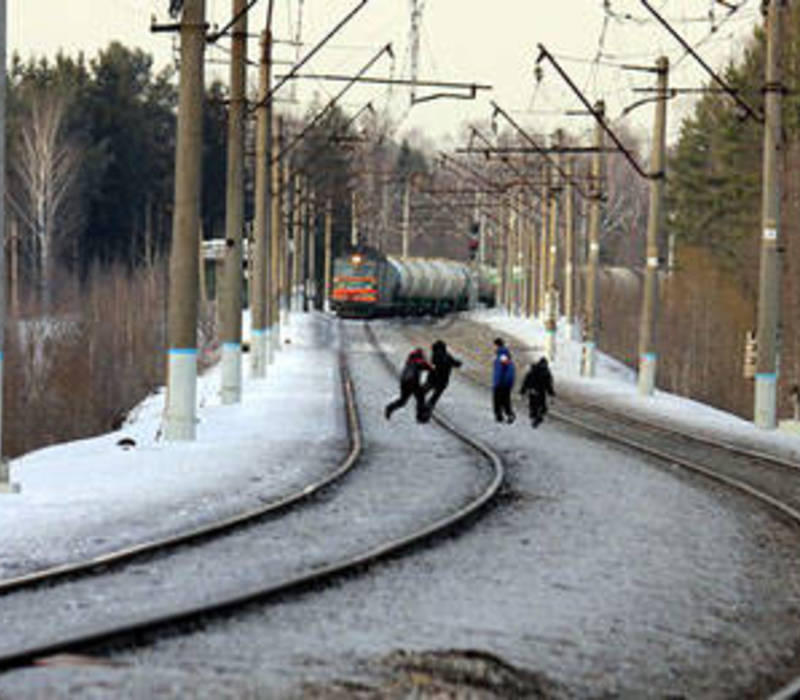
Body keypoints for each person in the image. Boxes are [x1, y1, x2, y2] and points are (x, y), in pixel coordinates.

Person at [385, 347, 433, 422]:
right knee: (420, 398)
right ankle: (421, 417)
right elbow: (428, 366)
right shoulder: (419, 361)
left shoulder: (409, 361)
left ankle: (389, 408)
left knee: (403, 401)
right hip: (413, 382)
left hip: (404, 382)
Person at [421, 339, 463, 418]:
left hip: (432, 379)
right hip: (442, 381)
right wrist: (459, 363)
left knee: (425, 389)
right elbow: (456, 364)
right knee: (435, 396)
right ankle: (428, 406)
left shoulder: (434, 356)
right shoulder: (447, 356)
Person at [520, 357, 556, 427]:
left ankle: (534, 417)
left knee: (534, 406)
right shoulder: (546, 372)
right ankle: (537, 418)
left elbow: (526, 381)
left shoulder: (533, 370)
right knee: (541, 407)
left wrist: (523, 391)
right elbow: (549, 385)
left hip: (533, 391)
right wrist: (551, 394)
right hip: (540, 392)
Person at [492, 337, 516, 423]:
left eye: (494, 346)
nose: (493, 348)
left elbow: (500, 371)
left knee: (498, 400)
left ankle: (502, 416)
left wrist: (497, 383)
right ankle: (505, 415)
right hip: (505, 383)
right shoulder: (504, 355)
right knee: (505, 400)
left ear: (497, 345)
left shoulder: (502, 356)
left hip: (501, 384)